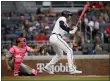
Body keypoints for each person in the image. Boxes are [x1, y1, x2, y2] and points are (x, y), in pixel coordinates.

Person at [43, 10, 82, 74]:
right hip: (56, 37)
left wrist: (73, 30)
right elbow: (62, 25)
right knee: (69, 51)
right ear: (66, 15)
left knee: (59, 55)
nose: (69, 16)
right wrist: (70, 30)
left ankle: (47, 67)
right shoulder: (62, 18)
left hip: (53, 38)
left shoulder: (65, 24)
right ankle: (71, 69)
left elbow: (67, 30)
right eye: (69, 15)